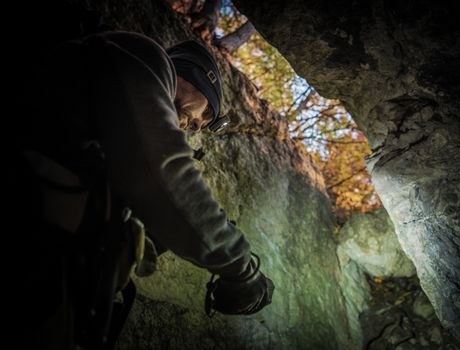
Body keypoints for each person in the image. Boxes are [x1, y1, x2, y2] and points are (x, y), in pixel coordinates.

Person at [10, 27, 274, 349]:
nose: (189, 126)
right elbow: (166, 173)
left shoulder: (116, 121)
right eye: (197, 117)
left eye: (194, 126)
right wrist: (241, 266)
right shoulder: (145, 57)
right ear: (193, 77)